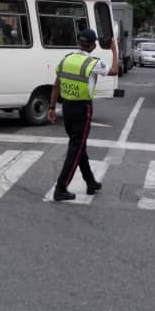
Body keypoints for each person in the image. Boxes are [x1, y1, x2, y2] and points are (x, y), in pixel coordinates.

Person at [47, 29, 118, 201]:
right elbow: (115, 70)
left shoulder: (66, 59)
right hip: (82, 109)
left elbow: (56, 85)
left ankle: (90, 182)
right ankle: (61, 187)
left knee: (79, 147)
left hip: (67, 109)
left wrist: (51, 108)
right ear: (93, 45)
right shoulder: (92, 63)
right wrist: (114, 50)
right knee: (76, 149)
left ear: (79, 42)